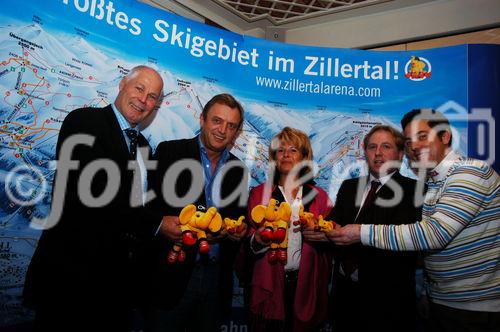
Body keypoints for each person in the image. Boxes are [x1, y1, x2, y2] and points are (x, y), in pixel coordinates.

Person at [329, 109, 500, 332]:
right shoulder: (436, 182)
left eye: (422, 137)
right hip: (443, 300)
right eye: (409, 141)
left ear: (445, 136)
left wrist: (359, 232)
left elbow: (434, 234)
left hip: (472, 307)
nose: (415, 146)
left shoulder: (470, 172)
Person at [23, 65, 166, 330]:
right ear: (122, 84)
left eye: (153, 96)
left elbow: (145, 203)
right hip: (70, 280)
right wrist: (159, 224)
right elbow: (95, 195)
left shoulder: (145, 148)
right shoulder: (84, 122)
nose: (144, 100)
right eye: (139, 88)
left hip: (115, 289)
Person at [145, 93, 249, 332]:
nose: (223, 130)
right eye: (217, 121)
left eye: (231, 125)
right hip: (171, 276)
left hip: (216, 279)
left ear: (236, 132)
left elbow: (238, 218)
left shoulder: (238, 170)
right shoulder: (170, 153)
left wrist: (238, 231)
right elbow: (148, 207)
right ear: (202, 120)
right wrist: (164, 224)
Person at [329, 125, 422, 332]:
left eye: (386, 146)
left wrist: (358, 234)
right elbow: (333, 223)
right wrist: (323, 231)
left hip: (388, 303)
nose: (378, 153)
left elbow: (409, 242)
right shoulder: (349, 187)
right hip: (344, 296)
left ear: (399, 155)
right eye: (372, 147)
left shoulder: (415, 191)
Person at [244, 127, 333, 332]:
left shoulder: (319, 196)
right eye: (281, 150)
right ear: (274, 157)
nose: (286, 154)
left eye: (293, 150)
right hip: (269, 283)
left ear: (304, 158)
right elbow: (248, 243)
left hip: (306, 285)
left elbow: (332, 239)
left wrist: (324, 236)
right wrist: (258, 240)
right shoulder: (260, 194)